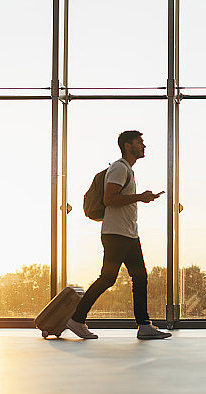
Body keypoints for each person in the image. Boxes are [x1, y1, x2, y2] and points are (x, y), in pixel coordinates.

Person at [66, 130, 171, 340]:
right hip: (116, 234)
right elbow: (109, 199)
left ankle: (144, 325)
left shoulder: (127, 170)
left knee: (139, 277)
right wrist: (140, 197)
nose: (144, 146)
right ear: (127, 146)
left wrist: (141, 197)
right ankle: (76, 319)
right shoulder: (119, 168)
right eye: (139, 142)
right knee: (108, 278)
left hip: (128, 234)